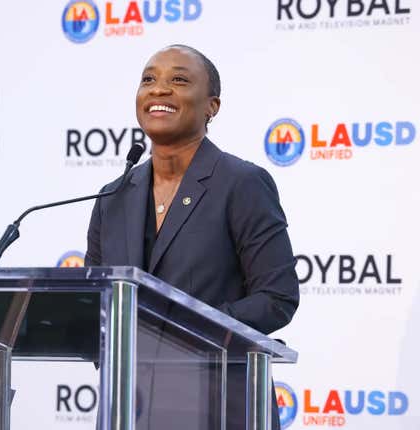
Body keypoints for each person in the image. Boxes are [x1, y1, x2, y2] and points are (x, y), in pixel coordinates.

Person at [86, 45, 299, 430]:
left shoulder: (241, 183)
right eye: (148, 80)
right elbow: (95, 308)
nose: (159, 90)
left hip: (218, 403)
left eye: (179, 80)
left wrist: (181, 330)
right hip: (127, 408)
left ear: (211, 106)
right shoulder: (111, 196)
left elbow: (277, 298)